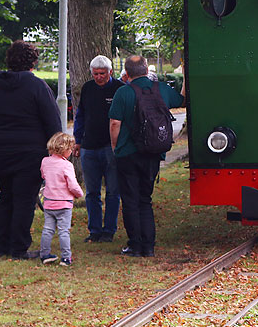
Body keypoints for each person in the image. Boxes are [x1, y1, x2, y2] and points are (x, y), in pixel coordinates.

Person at [0, 41, 63, 259]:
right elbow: (53, 122)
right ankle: (18, 248)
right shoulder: (38, 87)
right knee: (25, 200)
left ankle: (2, 246)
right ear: (33, 62)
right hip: (30, 153)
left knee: (6, 197)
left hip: (2, 152)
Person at [110, 55, 184, 258]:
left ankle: (135, 245)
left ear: (126, 73)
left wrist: (115, 147)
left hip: (128, 154)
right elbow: (182, 99)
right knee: (145, 199)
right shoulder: (161, 89)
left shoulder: (123, 93)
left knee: (130, 200)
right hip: (153, 152)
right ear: (146, 70)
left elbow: (115, 123)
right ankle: (149, 246)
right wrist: (185, 74)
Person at [73, 55, 125, 243]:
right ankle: (94, 230)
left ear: (110, 72)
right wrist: (77, 140)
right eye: (95, 74)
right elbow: (80, 115)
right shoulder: (87, 89)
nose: (99, 77)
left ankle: (109, 230)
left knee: (112, 190)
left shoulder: (119, 89)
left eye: (102, 74)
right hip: (89, 147)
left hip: (111, 147)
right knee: (92, 192)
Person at [39, 132, 84, 266]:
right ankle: (66, 257)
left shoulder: (45, 162)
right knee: (64, 231)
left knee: (48, 229)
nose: (71, 151)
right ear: (64, 149)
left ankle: (44, 254)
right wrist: (79, 193)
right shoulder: (67, 166)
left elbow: (43, 175)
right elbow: (72, 184)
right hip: (64, 204)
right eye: (70, 149)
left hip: (49, 202)